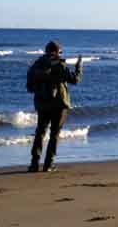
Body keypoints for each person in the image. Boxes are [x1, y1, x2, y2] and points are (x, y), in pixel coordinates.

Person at [26, 40, 83, 172]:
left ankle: (34, 164)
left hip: (42, 103)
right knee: (54, 134)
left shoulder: (36, 65)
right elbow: (75, 79)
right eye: (60, 52)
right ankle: (48, 164)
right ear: (57, 51)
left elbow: (29, 88)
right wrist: (79, 66)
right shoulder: (60, 65)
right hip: (59, 104)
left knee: (40, 132)